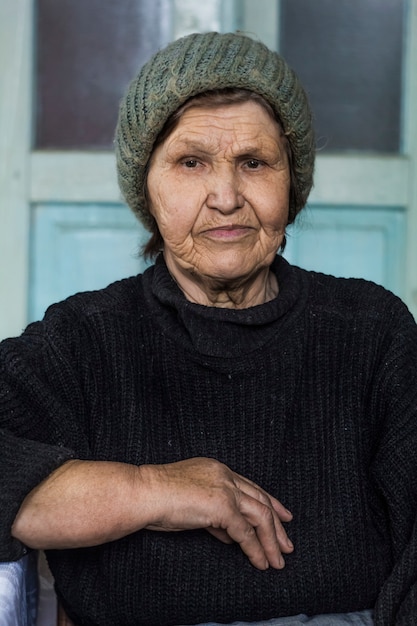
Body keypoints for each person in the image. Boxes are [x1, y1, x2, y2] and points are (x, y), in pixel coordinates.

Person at [0, 31, 416, 626]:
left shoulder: (372, 332)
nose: (225, 197)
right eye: (191, 162)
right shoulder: (87, 340)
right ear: (148, 186)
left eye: (254, 163)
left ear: (291, 185)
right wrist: (151, 491)